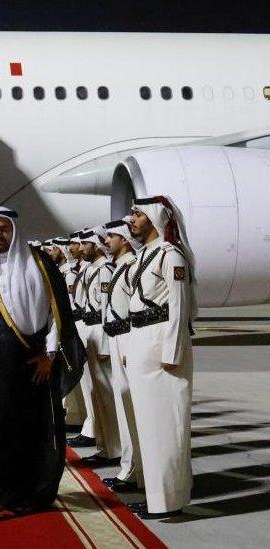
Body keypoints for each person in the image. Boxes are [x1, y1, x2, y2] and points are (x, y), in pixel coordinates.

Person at [0, 206, 84, 521]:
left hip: (32, 367)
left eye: (3, 229)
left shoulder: (41, 265)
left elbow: (55, 316)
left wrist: (50, 356)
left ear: (14, 231)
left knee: (28, 433)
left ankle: (24, 493)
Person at [125, 196, 195, 519]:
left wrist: (173, 352)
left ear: (153, 218)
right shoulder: (146, 256)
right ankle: (156, 498)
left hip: (161, 348)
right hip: (142, 343)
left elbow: (179, 309)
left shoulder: (171, 255)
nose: (131, 219)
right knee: (149, 429)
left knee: (167, 428)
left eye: (137, 214)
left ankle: (169, 500)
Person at [100, 218, 143, 493]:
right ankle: (128, 466)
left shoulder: (130, 266)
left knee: (130, 405)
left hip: (127, 338)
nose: (107, 241)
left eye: (112, 237)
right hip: (116, 337)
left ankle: (132, 468)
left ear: (124, 240)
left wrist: (130, 348)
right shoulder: (120, 267)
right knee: (122, 403)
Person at [77, 227, 121, 465]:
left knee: (106, 393)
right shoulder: (93, 269)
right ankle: (104, 446)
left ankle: (113, 449)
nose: (82, 248)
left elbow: (106, 307)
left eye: (86, 244)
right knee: (97, 393)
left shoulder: (104, 271)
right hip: (89, 329)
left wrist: (104, 343)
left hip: (99, 332)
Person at [68, 229, 98, 449]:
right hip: (83, 325)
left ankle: (93, 429)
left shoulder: (101, 270)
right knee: (87, 386)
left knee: (96, 387)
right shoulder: (84, 270)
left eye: (82, 243)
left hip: (94, 328)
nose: (76, 248)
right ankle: (91, 427)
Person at [53, 236, 87, 430]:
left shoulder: (71, 274)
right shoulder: (67, 272)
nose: (76, 247)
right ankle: (78, 417)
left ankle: (82, 419)